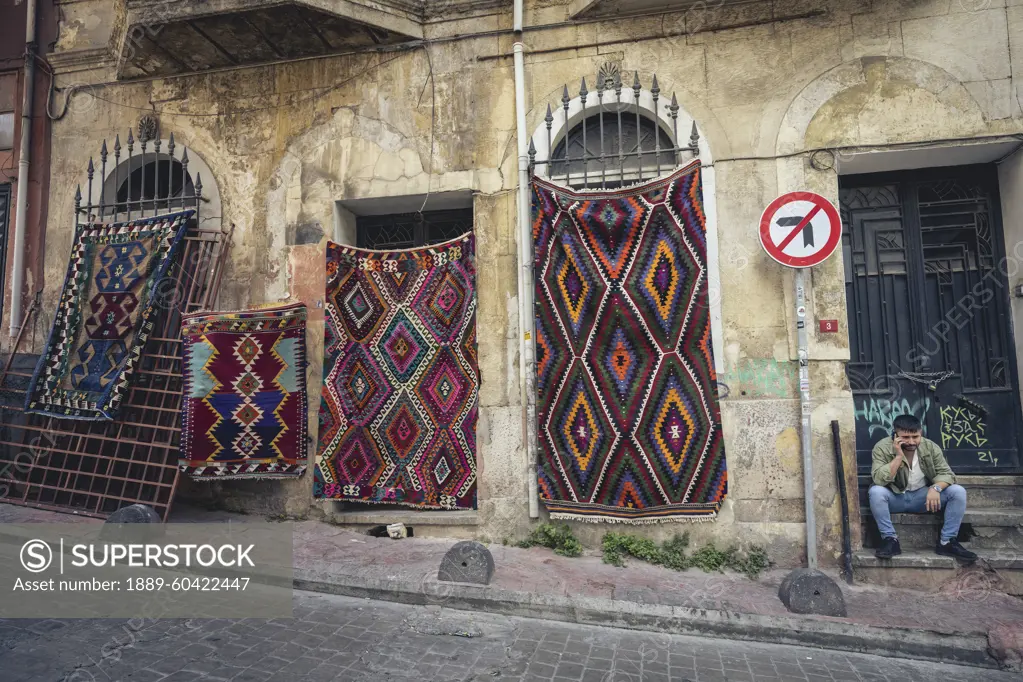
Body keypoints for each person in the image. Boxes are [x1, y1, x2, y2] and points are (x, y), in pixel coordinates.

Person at [868, 414, 977, 561]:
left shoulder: (930, 447)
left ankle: (947, 542)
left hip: (923, 498)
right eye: (906, 437)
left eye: (915, 436)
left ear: (921, 434)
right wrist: (898, 456)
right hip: (895, 497)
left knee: (957, 492)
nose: (912, 441)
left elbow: (947, 474)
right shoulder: (882, 447)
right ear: (895, 435)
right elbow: (879, 479)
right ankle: (890, 540)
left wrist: (935, 488)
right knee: (876, 491)